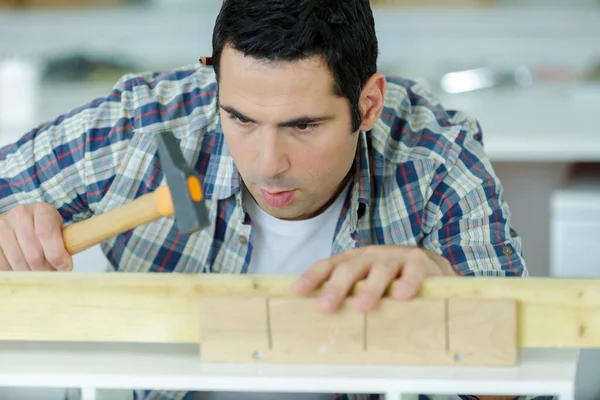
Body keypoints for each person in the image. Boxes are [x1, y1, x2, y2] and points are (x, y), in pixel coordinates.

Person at [0, 0, 539, 400]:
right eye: (240, 118)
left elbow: (520, 387)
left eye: (302, 125)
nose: (265, 163)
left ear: (368, 104)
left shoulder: (436, 156)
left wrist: (448, 299)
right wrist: (13, 231)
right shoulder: (150, 123)